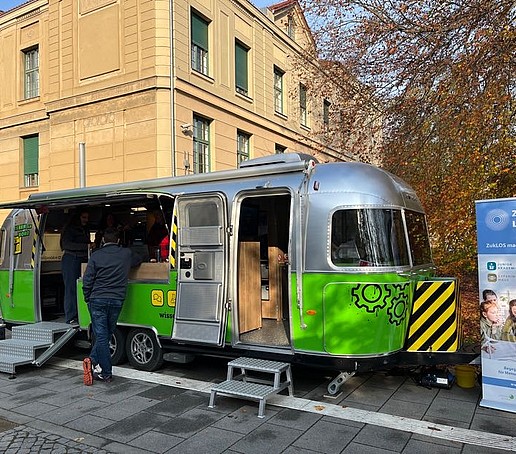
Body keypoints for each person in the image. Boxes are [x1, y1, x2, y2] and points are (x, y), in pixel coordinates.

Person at [82, 227, 142, 384]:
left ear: (103, 240)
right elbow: (139, 259)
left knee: (102, 336)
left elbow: (88, 279)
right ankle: (94, 363)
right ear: (118, 240)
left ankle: (103, 370)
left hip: (97, 300)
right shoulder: (126, 254)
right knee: (107, 334)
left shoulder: (96, 256)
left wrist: (87, 297)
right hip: (116, 300)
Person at [61, 210, 92, 324]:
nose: (86, 220)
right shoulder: (69, 229)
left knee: (81, 287)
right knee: (71, 288)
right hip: (71, 259)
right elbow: (66, 245)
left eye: (87, 217)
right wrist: (87, 246)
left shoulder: (84, 229)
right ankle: (71, 317)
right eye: (84, 217)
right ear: (77, 217)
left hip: (81, 259)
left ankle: (78, 314)